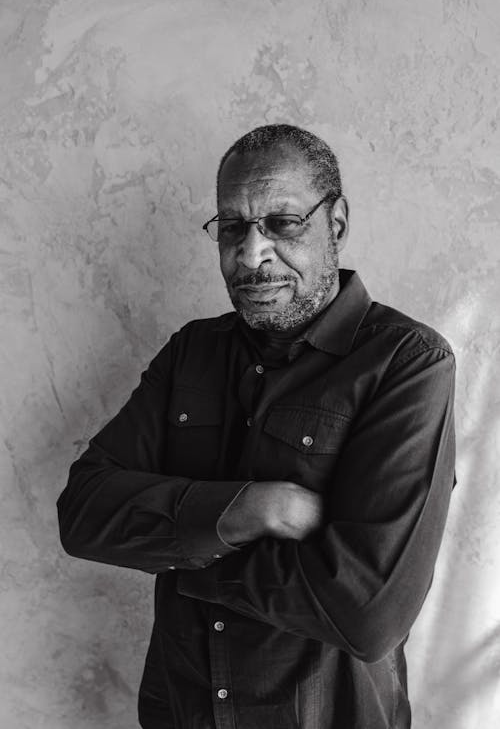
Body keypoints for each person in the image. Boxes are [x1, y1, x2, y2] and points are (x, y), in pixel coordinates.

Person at [57, 123, 456, 729]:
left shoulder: (407, 364)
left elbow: (369, 613)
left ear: (336, 225)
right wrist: (255, 508)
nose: (251, 252)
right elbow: (82, 513)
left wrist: (188, 549)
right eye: (233, 226)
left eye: (283, 222)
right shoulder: (191, 352)